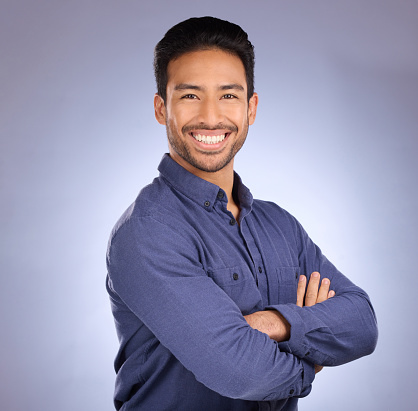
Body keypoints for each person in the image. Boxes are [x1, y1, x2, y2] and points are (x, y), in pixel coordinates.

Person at [106, 16, 378, 411]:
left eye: (229, 96)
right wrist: (312, 357)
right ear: (161, 109)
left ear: (251, 108)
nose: (211, 116)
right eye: (190, 96)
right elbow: (241, 374)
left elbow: (363, 324)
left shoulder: (280, 225)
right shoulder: (147, 232)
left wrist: (273, 323)